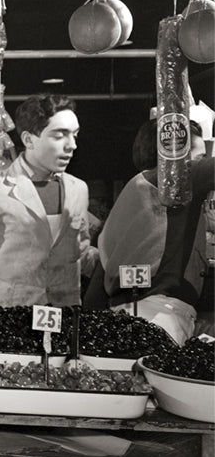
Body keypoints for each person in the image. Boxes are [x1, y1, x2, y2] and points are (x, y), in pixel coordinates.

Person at [0, 93, 98, 317]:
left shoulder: (78, 189)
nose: (72, 146)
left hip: (65, 322)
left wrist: (116, 257)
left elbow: (80, 252)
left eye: (75, 135)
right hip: (7, 325)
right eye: (60, 136)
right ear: (29, 140)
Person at [85, 119, 211, 343]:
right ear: (176, 155)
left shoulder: (134, 191)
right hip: (160, 316)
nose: (202, 164)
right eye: (200, 158)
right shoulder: (173, 180)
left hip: (124, 314)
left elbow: (101, 275)